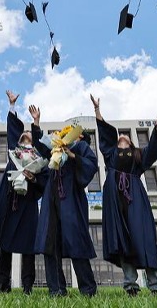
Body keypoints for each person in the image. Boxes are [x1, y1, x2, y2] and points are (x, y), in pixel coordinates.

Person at [91, 94, 157, 296]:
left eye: (125, 137)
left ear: (132, 143)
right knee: (122, 239)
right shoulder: (110, 154)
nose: (122, 137)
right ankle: (130, 286)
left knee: (143, 237)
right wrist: (97, 111)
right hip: (115, 200)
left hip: (135, 198)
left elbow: (153, 148)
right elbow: (105, 136)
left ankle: (155, 286)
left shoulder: (139, 156)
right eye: (120, 137)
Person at [0, 90, 48, 294]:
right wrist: (12, 106)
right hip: (11, 202)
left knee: (28, 246)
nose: (25, 137)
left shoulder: (39, 156)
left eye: (28, 136)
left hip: (27, 204)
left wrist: (34, 177)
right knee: (6, 243)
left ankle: (28, 286)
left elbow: (44, 179)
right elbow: (12, 131)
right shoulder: (14, 152)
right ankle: (3, 284)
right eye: (23, 136)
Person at [30, 105, 99, 297]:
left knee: (76, 241)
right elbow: (41, 147)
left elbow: (91, 165)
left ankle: (88, 289)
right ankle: (57, 289)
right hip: (51, 200)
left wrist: (72, 155)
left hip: (71, 199)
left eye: (71, 133)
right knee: (49, 243)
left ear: (80, 136)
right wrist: (36, 123)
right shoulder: (55, 148)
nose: (66, 134)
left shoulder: (82, 147)